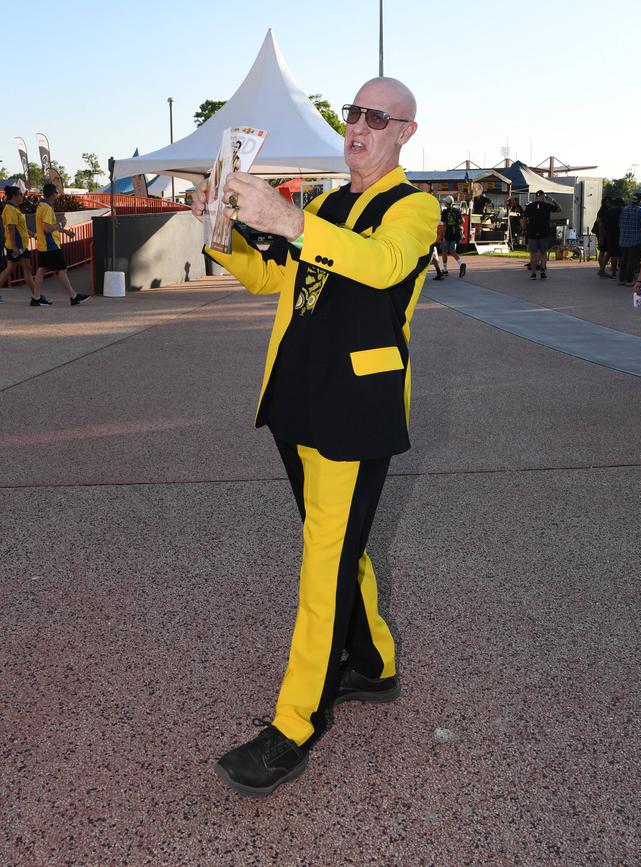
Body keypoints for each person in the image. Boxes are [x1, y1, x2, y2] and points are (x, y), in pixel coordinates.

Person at [192, 76, 439, 798]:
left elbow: (385, 264)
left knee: (322, 563)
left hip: (355, 409)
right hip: (298, 398)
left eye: (375, 116)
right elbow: (275, 280)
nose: (357, 126)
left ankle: (295, 722)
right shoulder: (329, 203)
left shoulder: (416, 207)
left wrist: (292, 222)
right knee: (337, 543)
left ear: (404, 133)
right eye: (352, 113)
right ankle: (375, 660)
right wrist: (225, 237)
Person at [34, 183, 89, 305]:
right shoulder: (47, 208)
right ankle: (73, 296)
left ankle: (36, 298)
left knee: (41, 270)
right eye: (57, 193)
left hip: (44, 245)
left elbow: (48, 226)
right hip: (51, 246)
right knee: (61, 270)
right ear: (53, 194)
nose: (58, 195)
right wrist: (60, 224)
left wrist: (65, 231)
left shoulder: (41, 206)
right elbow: (47, 229)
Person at [0, 185, 40, 303]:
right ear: (14, 196)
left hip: (19, 245)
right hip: (18, 246)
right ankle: (36, 296)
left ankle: (36, 296)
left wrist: (33, 235)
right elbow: (11, 228)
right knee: (26, 269)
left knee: (13, 269)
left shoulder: (14, 208)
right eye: (20, 194)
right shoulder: (11, 209)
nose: (22, 196)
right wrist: (14, 247)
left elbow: (21, 228)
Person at [521, 189, 560, 279]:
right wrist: (552, 200)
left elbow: (524, 219)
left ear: (536, 197)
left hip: (532, 232)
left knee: (533, 253)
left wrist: (523, 229)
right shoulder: (547, 205)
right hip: (544, 232)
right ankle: (542, 271)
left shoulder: (530, 206)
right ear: (543, 197)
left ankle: (533, 273)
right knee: (543, 253)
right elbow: (559, 209)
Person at [617, 193, 641, 287]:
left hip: (623, 239)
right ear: (640, 201)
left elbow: (620, 224)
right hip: (636, 241)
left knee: (624, 260)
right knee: (632, 261)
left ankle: (621, 279)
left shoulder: (624, 210)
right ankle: (629, 280)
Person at [439, 195, 466, 277]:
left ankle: (445, 269)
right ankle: (461, 263)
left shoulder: (444, 212)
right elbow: (463, 221)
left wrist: (443, 236)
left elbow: (444, 225)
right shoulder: (457, 210)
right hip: (456, 233)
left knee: (444, 250)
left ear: (447, 203)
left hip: (448, 233)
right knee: (452, 251)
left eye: (445, 201)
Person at [603, 197, 624, 280]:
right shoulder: (621, 212)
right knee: (619, 254)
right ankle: (615, 271)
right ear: (620, 204)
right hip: (619, 234)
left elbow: (602, 223)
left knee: (611, 253)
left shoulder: (608, 212)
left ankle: (607, 270)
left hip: (609, 235)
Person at [594, 196, 612, 277]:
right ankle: (602, 269)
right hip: (603, 233)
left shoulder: (602, 210)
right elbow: (600, 224)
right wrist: (601, 237)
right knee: (605, 251)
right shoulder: (603, 211)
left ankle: (602, 269)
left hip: (601, 233)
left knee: (602, 251)